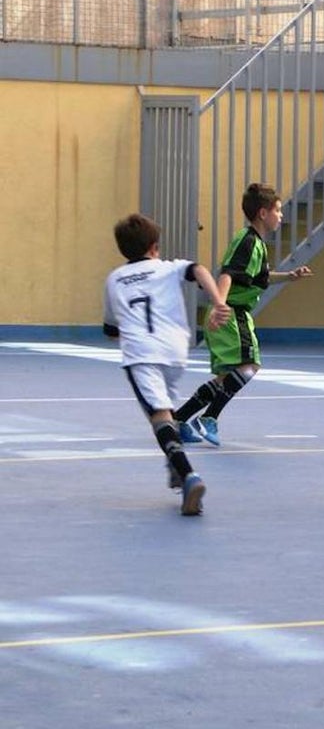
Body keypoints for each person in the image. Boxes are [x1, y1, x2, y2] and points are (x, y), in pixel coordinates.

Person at [103, 213, 232, 516]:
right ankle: (174, 467)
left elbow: (110, 329)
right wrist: (218, 302)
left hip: (142, 354)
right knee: (168, 413)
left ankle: (188, 475)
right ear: (154, 247)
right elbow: (198, 269)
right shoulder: (168, 268)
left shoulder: (114, 279)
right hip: (175, 350)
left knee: (159, 417)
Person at [174, 183, 312, 446]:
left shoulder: (255, 243)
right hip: (232, 312)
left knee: (226, 378)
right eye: (278, 210)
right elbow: (228, 275)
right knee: (249, 366)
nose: (281, 215)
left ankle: (179, 418)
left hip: (230, 311)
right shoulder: (248, 242)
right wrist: (220, 305)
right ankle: (209, 418)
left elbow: (258, 278)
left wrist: (290, 276)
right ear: (263, 213)